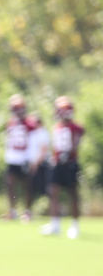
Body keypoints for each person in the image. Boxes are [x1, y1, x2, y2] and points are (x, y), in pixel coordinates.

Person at [40, 97, 84, 239]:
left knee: (72, 194)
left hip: (70, 164)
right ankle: (55, 225)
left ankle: (75, 226)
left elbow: (76, 142)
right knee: (52, 192)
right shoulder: (57, 126)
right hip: (57, 164)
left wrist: (69, 152)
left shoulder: (75, 127)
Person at [3, 94, 34, 221]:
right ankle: (12, 210)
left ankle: (27, 211)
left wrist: (32, 158)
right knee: (10, 184)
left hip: (25, 158)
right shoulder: (10, 123)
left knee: (27, 185)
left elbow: (34, 141)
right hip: (13, 159)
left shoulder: (30, 123)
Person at [27, 112, 51, 208]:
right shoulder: (34, 133)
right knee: (31, 189)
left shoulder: (42, 132)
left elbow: (43, 150)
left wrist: (35, 165)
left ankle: (58, 209)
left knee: (45, 189)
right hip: (35, 164)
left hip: (41, 165)